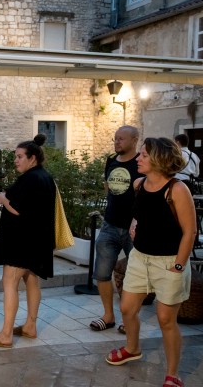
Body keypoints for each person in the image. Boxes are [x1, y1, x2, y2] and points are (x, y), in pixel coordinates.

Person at [106, 137, 195, 387]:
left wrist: (179, 266)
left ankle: (173, 374)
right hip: (140, 257)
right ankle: (132, 348)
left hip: (169, 261)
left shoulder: (177, 189)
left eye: (144, 155)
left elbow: (190, 232)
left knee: (166, 319)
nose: (139, 159)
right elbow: (140, 212)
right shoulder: (139, 184)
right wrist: (135, 223)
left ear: (159, 159)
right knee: (126, 309)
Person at [0, 134, 55, 348]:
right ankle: (30, 326)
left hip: (22, 242)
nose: (16, 160)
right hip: (37, 241)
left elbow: (19, 209)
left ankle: (5, 335)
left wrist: (3, 199)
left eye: (20, 156)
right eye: (16, 156)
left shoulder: (30, 178)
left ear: (32, 158)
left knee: (9, 282)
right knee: (32, 281)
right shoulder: (45, 177)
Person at [90, 125, 143, 333]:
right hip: (110, 224)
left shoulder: (141, 162)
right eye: (115, 138)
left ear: (134, 140)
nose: (117, 142)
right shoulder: (111, 162)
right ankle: (108, 315)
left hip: (135, 228)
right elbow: (108, 187)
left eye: (121, 139)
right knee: (102, 273)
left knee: (135, 276)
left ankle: (129, 319)